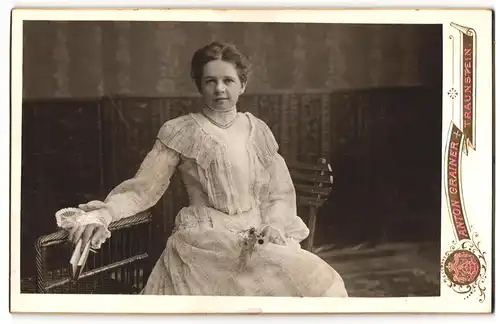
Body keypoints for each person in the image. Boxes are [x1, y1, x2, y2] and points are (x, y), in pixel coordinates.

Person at [59, 41, 348, 297]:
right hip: (204, 239)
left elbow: (279, 191)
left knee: (324, 285)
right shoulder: (180, 131)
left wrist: (273, 225)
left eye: (228, 80)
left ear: (242, 85)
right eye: (210, 81)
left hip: (257, 232)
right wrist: (105, 213)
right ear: (199, 85)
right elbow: (143, 188)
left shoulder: (257, 130)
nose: (220, 88)